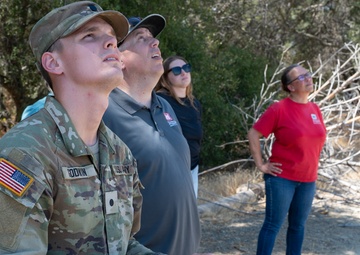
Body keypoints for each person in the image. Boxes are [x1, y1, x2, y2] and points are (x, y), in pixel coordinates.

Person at [0, 2, 160, 254]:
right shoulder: (24, 154)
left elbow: (124, 245)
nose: (111, 44)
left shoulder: (119, 152)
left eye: (112, 39)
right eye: (89, 36)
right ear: (53, 63)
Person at [103, 15, 201, 255]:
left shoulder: (164, 107)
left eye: (153, 37)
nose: (154, 42)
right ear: (119, 59)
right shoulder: (104, 114)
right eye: (141, 37)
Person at [247, 64, 327, 255]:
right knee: (273, 225)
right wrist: (261, 164)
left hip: (308, 180)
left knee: (297, 227)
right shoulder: (279, 109)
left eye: (308, 75)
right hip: (282, 179)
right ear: (290, 87)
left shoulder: (314, 108)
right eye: (301, 78)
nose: (308, 79)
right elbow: (253, 133)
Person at [155, 56, 203, 198]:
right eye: (176, 70)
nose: (183, 72)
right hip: (171, 172)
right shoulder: (160, 102)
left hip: (193, 167)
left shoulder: (194, 104)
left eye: (186, 68)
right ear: (165, 78)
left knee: (190, 214)